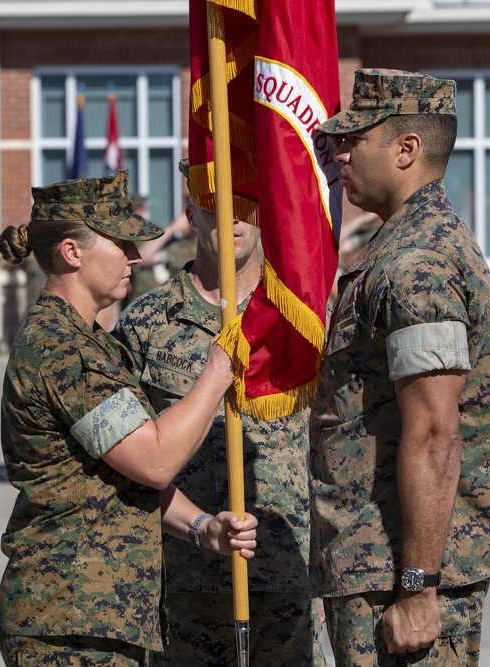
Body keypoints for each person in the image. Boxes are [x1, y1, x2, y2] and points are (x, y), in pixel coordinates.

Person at [0, 171, 258, 667]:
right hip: (69, 620)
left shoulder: (88, 341)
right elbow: (155, 460)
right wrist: (217, 373)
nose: (135, 256)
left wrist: (202, 527)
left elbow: (126, 478)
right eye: (121, 243)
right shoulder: (64, 350)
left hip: (95, 616)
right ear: (73, 253)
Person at [309, 68, 490, 667]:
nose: (340, 152)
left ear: (407, 150)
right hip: (374, 559)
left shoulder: (418, 264)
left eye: (357, 139)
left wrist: (418, 587)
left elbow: (434, 432)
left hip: (398, 570)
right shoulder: (397, 247)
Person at [115, 159, 324, 666]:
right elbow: (125, 460)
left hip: (286, 575)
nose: (230, 218)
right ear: (189, 214)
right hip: (180, 585)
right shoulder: (145, 323)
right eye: (214, 206)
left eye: (244, 205)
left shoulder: (300, 319)